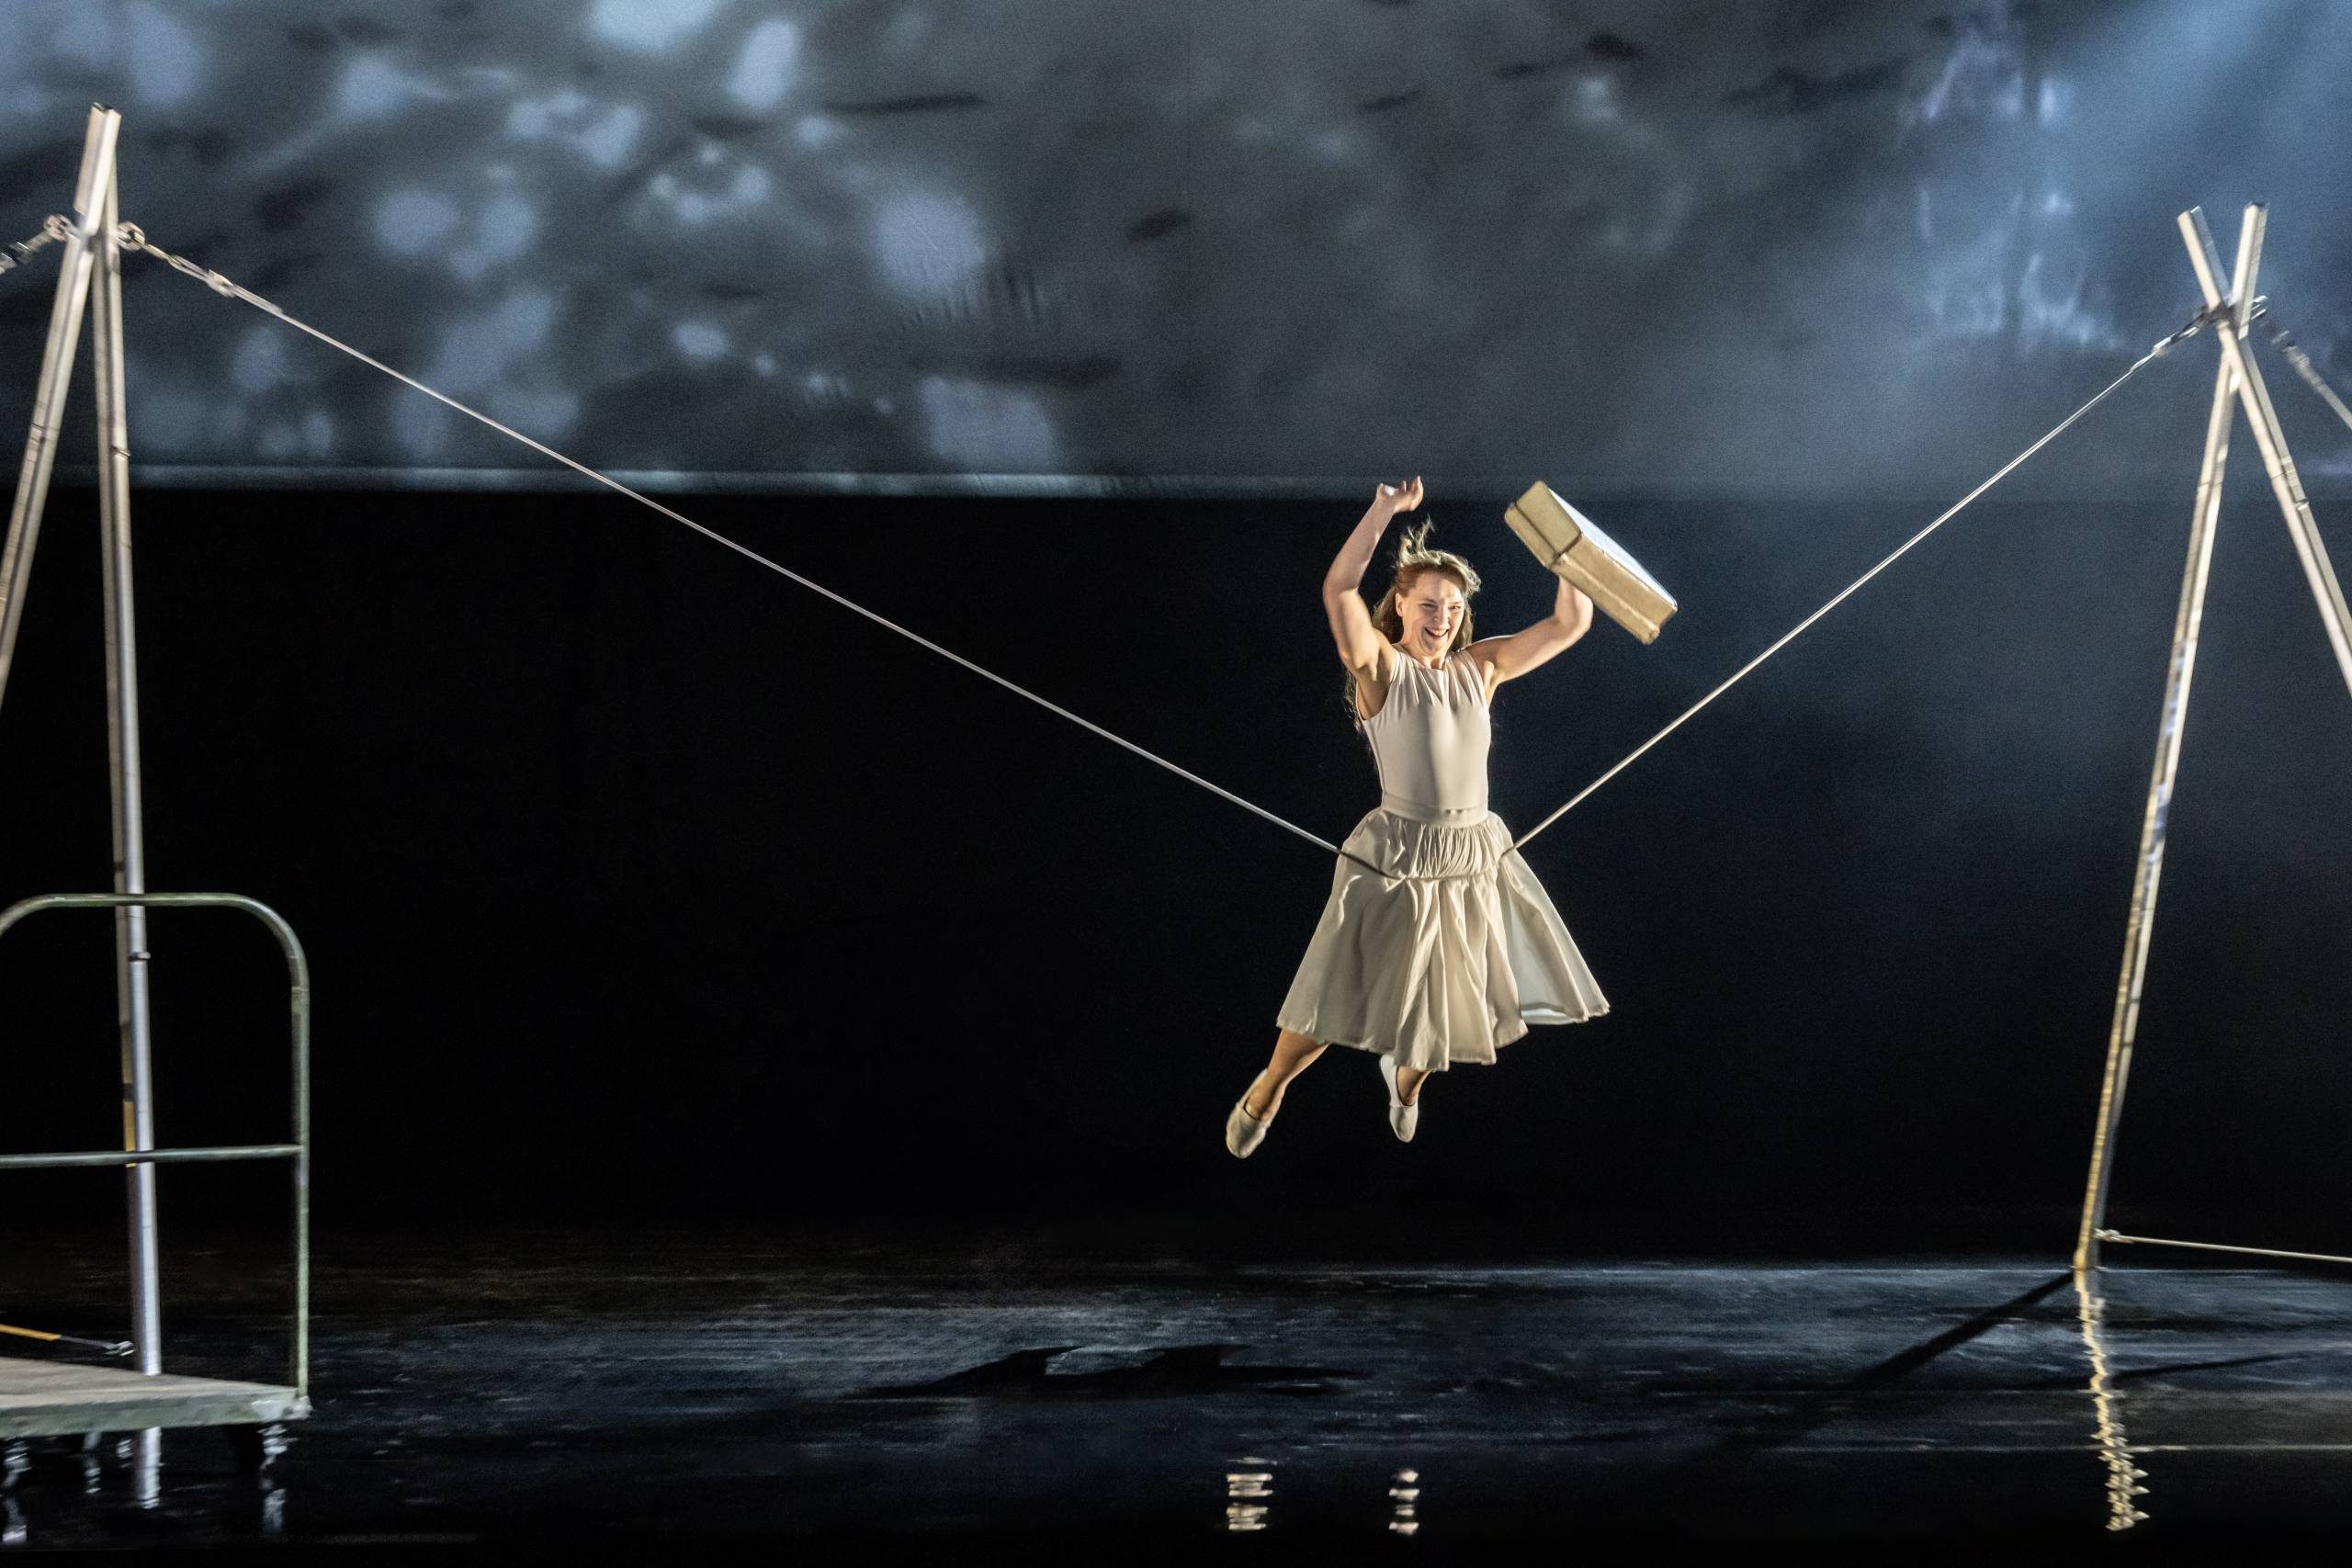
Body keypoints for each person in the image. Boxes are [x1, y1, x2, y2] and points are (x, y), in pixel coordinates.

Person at [1226, 477, 1610, 1156]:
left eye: (1455, 606)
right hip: (1396, 854)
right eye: (1430, 602)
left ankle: (1404, 1084)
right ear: (1400, 603)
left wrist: (1565, 555)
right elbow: (1339, 591)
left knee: (1448, 1017)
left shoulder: (1480, 667)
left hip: (1469, 853)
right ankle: (1271, 1084)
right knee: (1334, 1002)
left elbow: (1570, 623)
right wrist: (1383, 511)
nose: (1444, 616)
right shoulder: (1380, 668)